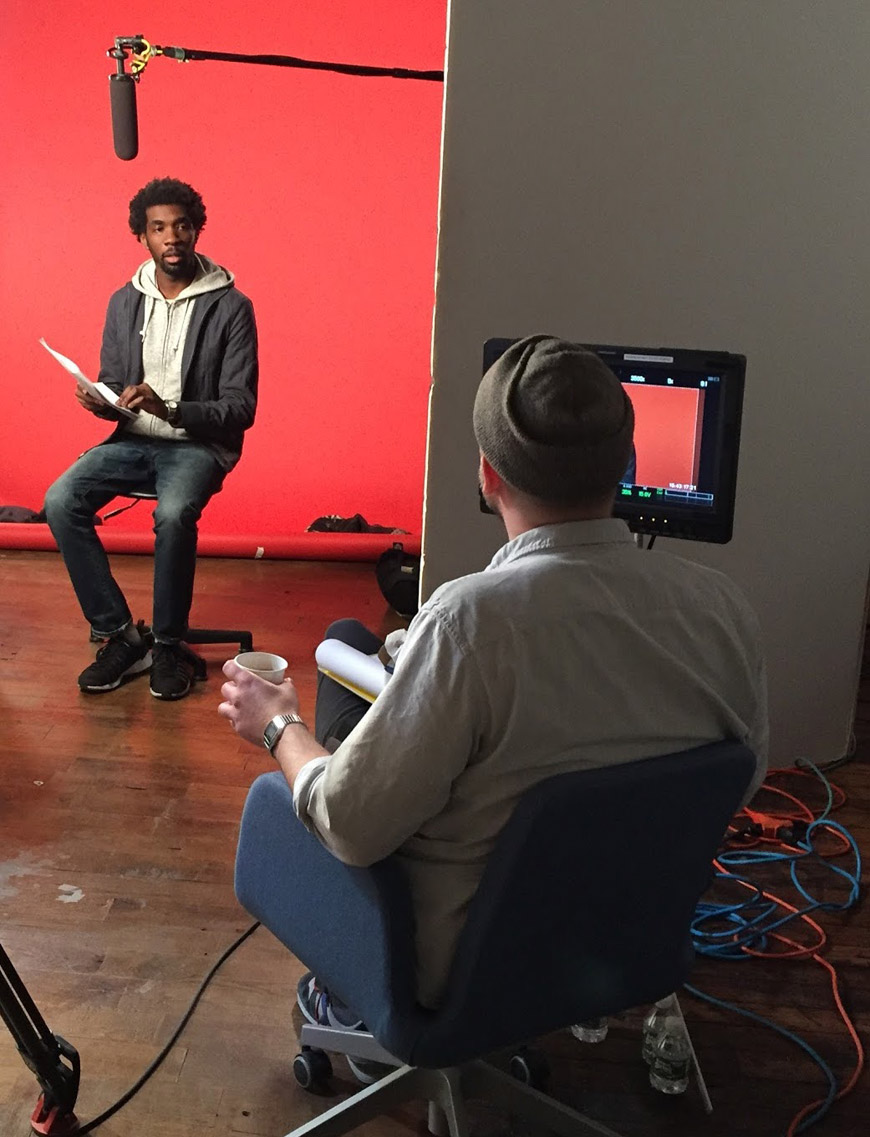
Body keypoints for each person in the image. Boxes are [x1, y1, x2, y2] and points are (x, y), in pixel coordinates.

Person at [218, 334, 767, 1035]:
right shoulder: (723, 609)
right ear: (625, 463)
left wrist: (276, 725)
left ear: (488, 473)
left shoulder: (468, 624)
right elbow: (740, 781)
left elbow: (348, 826)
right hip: (625, 942)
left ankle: (353, 999)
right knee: (352, 647)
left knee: (298, 770)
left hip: (462, 970)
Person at [44, 177, 258, 701]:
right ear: (141, 236)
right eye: (159, 228)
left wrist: (172, 410)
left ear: (197, 230)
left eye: (181, 226)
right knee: (60, 500)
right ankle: (121, 636)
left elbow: (241, 407)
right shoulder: (124, 302)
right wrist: (103, 401)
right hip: (133, 440)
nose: (172, 238)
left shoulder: (231, 306)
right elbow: (114, 379)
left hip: (197, 447)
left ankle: (167, 644)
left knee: (174, 513)